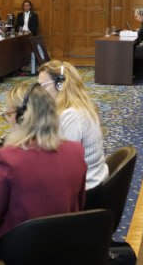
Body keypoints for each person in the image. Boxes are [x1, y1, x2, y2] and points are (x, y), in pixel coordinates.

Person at [0, 82, 86, 241]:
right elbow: (79, 206)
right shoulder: (76, 151)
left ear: (21, 117)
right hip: (65, 244)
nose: (8, 120)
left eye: (9, 114)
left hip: (17, 248)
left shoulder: (9, 158)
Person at [38, 60, 109, 188]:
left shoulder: (72, 116)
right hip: (92, 177)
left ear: (60, 85)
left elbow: (64, 164)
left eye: (43, 86)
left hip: (85, 187)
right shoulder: (77, 106)